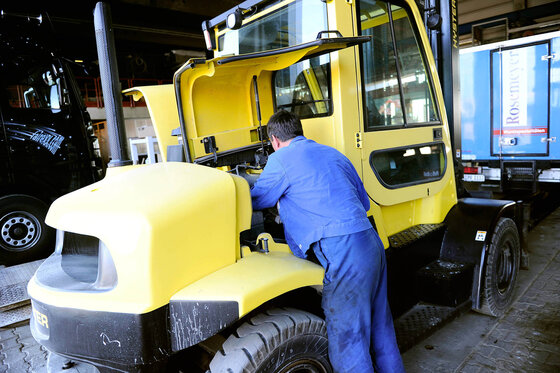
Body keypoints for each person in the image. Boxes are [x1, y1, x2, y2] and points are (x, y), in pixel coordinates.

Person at [251, 110, 405, 373]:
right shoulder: (334, 154)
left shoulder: (280, 160)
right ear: (300, 131)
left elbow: (257, 200)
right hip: (371, 243)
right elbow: (363, 202)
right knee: (381, 329)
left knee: (350, 341)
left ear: (274, 141)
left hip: (344, 254)